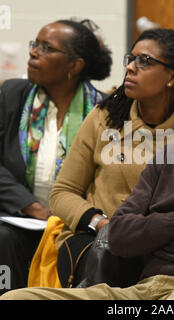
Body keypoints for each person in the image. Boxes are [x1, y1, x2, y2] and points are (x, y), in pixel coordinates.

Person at [1, 39, 174, 300]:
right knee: (15, 298)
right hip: (144, 289)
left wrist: (147, 240)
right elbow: (119, 235)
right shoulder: (172, 152)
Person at [26, 28, 174, 289]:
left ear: (173, 77)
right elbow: (63, 192)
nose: (130, 68)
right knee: (111, 257)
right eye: (131, 58)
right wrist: (100, 222)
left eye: (145, 62)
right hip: (97, 240)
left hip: (162, 244)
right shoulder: (105, 117)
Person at [0, 18, 112, 294]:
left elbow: (105, 178)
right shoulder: (12, 95)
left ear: (74, 66)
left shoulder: (103, 112)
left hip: (73, 222)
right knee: (3, 238)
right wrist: (32, 206)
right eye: (34, 45)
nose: (34, 52)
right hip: (18, 217)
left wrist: (71, 212)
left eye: (46, 48)